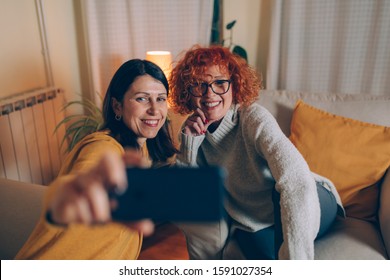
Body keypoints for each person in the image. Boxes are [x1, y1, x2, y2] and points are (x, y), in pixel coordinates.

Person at [169, 45, 343, 260]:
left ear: (234, 86)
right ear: (188, 91)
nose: (210, 93)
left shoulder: (253, 118)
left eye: (220, 83)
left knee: (279, 196)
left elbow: (296, 180)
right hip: (254, 222)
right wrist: (188, 146)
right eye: (199, 85)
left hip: (311, 197)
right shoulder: (192, 133)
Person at [15, 59, 178, 259]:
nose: (154, 109)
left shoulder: (137, 148)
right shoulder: (103, 148)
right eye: (142, 99)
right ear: (117, 106)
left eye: (161, 99)